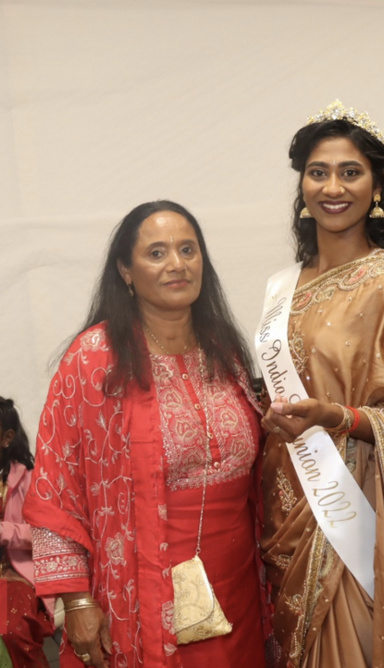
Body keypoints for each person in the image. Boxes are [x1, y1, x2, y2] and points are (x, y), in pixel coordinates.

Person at [24, 201, 271, 667]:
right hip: (141, 596)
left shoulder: (225, 352)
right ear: (126, 270)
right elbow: (56, 486)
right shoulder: (95, 359)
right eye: (156, 253)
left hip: (239, 590)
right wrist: (75, 601)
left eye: (187, 250)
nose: (177, 264)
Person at [257, 101, 384, 668]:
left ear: (376, 188)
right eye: (318, 172)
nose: (333, 187)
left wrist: (334, 417)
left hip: (354, 504)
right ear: (302, 186)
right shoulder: (283, 288)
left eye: (351, 172)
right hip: (285, 502)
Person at [1, 397, 55, 667]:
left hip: (13, 577)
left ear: (7, 437)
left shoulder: (30, 478)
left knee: (10, 631)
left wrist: (4, 531)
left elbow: (47, 534)